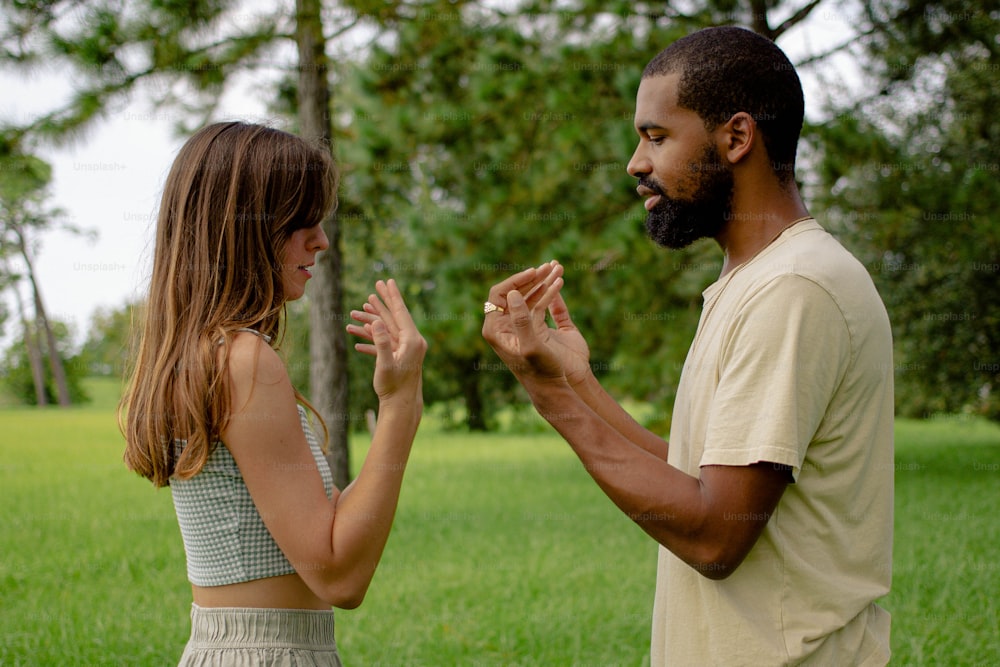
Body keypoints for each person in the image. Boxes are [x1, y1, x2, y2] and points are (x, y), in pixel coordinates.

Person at [482, 26, 893, 666]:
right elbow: (697, 481)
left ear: (736, 137)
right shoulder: (755, 280)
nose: (635, 163)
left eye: (656, 137)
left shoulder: (795, 289)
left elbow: (713, 537)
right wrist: (574, 383)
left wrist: (545, 397)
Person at [119, 121, 426, 665]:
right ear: (239, 228)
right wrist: (401, 404)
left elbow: (322, 530)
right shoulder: (243, 360)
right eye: (300, 222)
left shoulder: (197, 355)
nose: (321, 240)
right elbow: (340, 575)